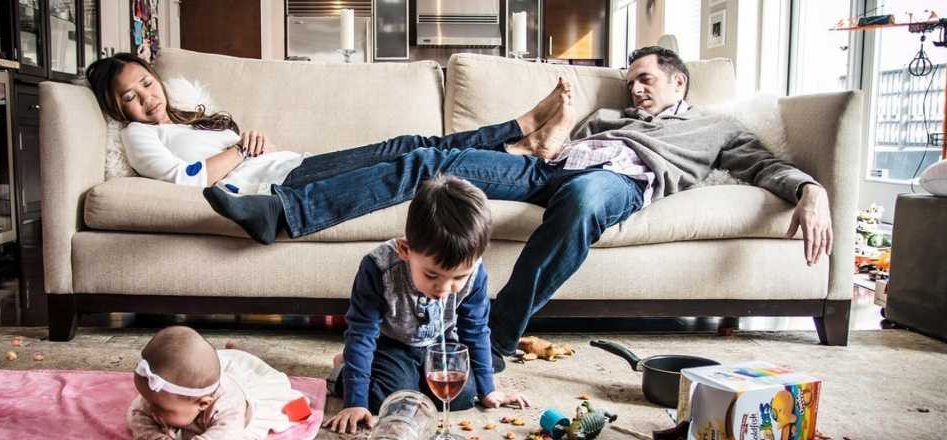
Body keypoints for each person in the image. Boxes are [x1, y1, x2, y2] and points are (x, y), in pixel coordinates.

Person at [204, 46, 834, 371]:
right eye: (632, 77)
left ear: (679, 84)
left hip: (617, 184)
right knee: (429, 163)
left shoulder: (713, 128)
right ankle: (282, 213)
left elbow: (766, 166)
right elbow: (551, 150)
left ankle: (497, 337)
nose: (636, 86)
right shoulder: (607, 116)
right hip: (549, 169)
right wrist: (553, 134)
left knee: (586, 199)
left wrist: (812, 191)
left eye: (647, 78)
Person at [84, 53, 573, 200]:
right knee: (422, 160)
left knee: (412, 144)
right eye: (130, 95)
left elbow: (238, 156)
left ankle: (524, 128)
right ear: (118, 106)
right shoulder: (138, 135)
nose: (147, 98)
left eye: (147, 83)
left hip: (290, 163)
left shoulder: (188, 112)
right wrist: (242, 152)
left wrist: (255, 146)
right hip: (284, 182)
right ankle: (520, 150)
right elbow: (185, 179)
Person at [322, 175, 531, 435]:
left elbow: (475, 329)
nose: (444, 289)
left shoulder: (476, 272)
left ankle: (419, 378)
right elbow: (362, 333)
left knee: (464, 395)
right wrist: (355, 402)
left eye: (458, 277)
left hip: (440, 342)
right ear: (405, 250)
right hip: (390, 343)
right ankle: (342, 369)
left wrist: (488, 389)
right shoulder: (378, 268)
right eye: (432, 275)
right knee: (389, 399)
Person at [127, 326, 305, 439]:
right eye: (147, 399)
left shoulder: (229, 407)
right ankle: (234, 353)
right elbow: (136, 416)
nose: (149, 408)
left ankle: (243, 353)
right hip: (212, 372)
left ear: (203, 403)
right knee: (193, 365)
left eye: (160, 408)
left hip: (243, 389)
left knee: (294, 409)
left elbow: (227, 435)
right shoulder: (157, 397)